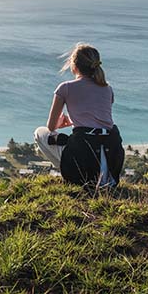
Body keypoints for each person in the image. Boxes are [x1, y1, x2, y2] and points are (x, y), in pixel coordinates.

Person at [34, 43, 124, 188]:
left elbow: (51, 126)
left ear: (73, 65)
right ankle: (96, 178)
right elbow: (98, 118)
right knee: (90, 139)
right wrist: (71, 120)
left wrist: (62, 122)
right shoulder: (107, 89)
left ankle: (69, 174)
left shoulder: (65, 88)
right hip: (111, 161)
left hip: (83, 156)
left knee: (40, 132)